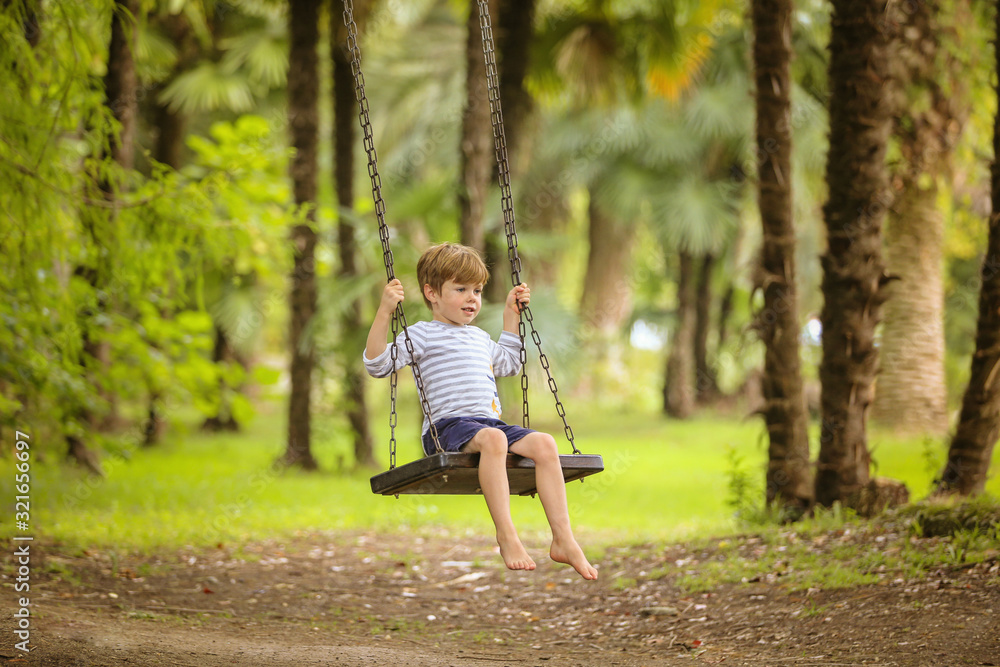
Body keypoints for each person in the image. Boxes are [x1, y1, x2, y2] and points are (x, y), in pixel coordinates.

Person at [363, 243, 598, 580]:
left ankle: (563, 538)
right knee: (493, 440)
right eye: (460, 289)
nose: (471, 297)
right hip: (445, 429)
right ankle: (507, 535)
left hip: (487, 423)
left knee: (545, 444)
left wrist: (510, 315)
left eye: (477, 290)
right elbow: (377, 364)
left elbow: (510, 362)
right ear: (432, 293)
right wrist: (385, 311)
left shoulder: (478, 337)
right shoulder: (421, 334)